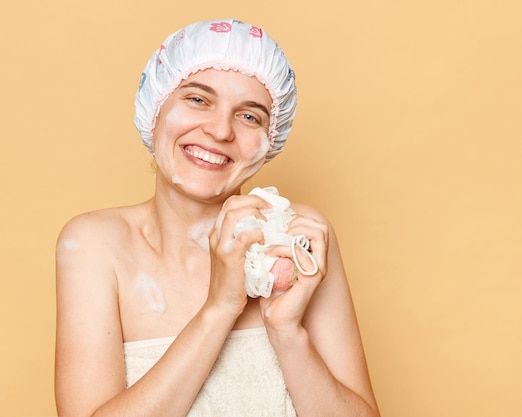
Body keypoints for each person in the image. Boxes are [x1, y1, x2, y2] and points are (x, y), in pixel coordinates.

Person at [54, 18, 380, 417]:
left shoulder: (299, 239)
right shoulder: (95, 244)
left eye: (249, 116)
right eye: (197, 100)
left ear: (269, 139)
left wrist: (287, 333)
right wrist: (221, 308)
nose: (221, 130)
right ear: (155, 108)